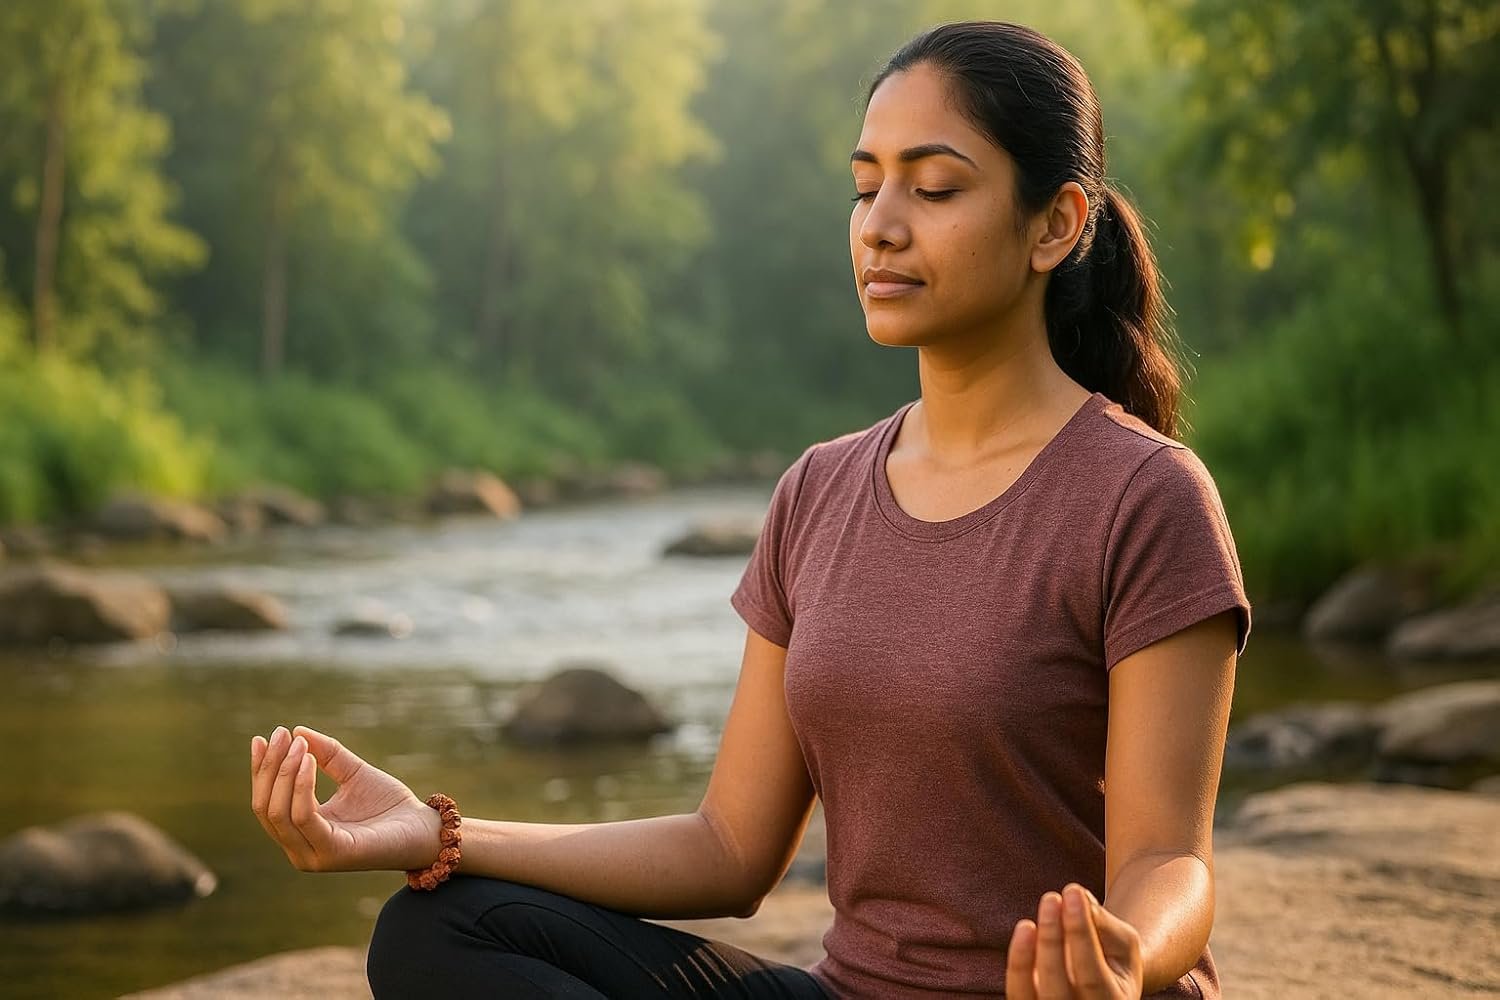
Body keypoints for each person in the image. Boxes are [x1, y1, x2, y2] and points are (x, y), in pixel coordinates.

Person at [249, 19, 1251, 1000]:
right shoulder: (820, 490)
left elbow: (1171, 859)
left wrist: (1127, 955)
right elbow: (729, 846)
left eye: (935, 186)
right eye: (866, 186)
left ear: (1057, 224)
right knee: (441, 926)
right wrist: (434, 833)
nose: (882, 223)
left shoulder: (1143, 495)